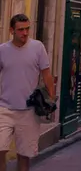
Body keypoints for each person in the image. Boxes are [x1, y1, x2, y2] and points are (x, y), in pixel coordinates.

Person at [0, 14, 55, 171]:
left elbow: (47, 74)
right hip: (4, 108)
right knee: (0, 149)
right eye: (21, 30)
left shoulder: (38, 48)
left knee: (24, 155)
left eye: (27, 29)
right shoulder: (2, 50)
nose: (25, 33)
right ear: (12, 30)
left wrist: (51, 100)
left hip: (29, 111)